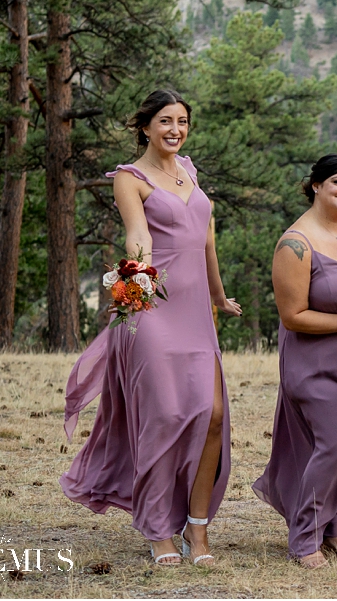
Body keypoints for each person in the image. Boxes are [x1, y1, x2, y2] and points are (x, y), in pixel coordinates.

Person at [62, 89, 241, 566]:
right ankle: (159, 529)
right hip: (152, 309)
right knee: (163, 417)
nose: (176, 130)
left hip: (197, 312)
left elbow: (206, 239)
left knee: (213, 416)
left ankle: (196, 528)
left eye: (183, 121)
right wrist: (136, 280)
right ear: (145, 126)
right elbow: (137, 233)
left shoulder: (191, 172)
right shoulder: (130, 177)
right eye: (166, 121)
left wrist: (219, 295)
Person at [252, 154, 337, 568]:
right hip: (314, 362)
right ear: (315, 185)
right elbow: (293, 316)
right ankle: (305, 539)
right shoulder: (295, 243)